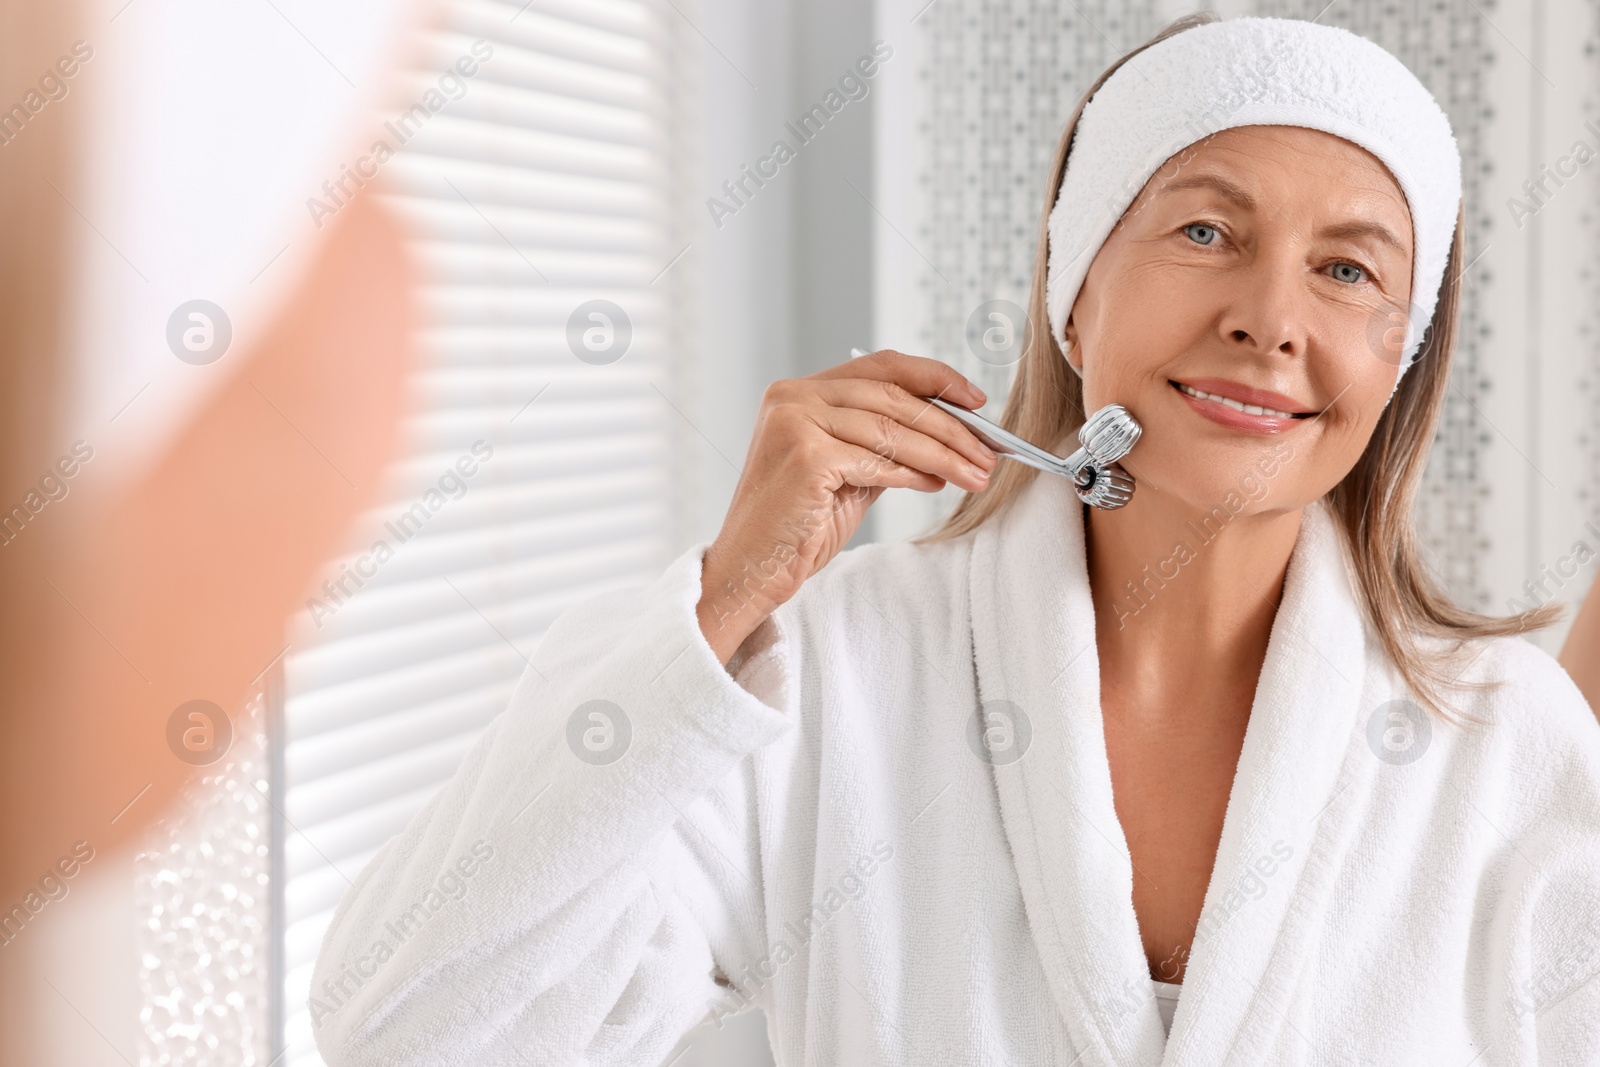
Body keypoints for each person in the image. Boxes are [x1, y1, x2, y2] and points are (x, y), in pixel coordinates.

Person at [309, 14, 1600, 1065]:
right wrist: (713, 609)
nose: (1271, 318)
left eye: (1350, 271)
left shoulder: (1500, 735)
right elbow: (411, 1027)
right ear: (1074, 291)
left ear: (1398, 361)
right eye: (1205, 231)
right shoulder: (836, 674)